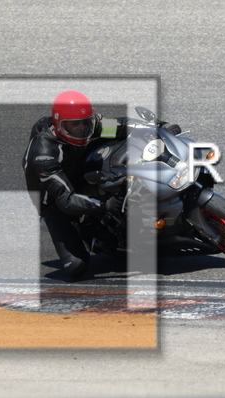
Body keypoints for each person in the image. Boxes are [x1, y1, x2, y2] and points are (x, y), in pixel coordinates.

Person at [22, 90, 181, 280]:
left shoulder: (88, 126)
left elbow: (119, 125)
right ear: (58, 124)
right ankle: (91, 232)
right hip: (55, 201)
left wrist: (154, 130)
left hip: (80, 172)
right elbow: (67, 200)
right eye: (74, 124)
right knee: (76, 266)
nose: (81, 128)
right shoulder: (43, 153)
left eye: (85, 122)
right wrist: (105, 204)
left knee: (123, 140)